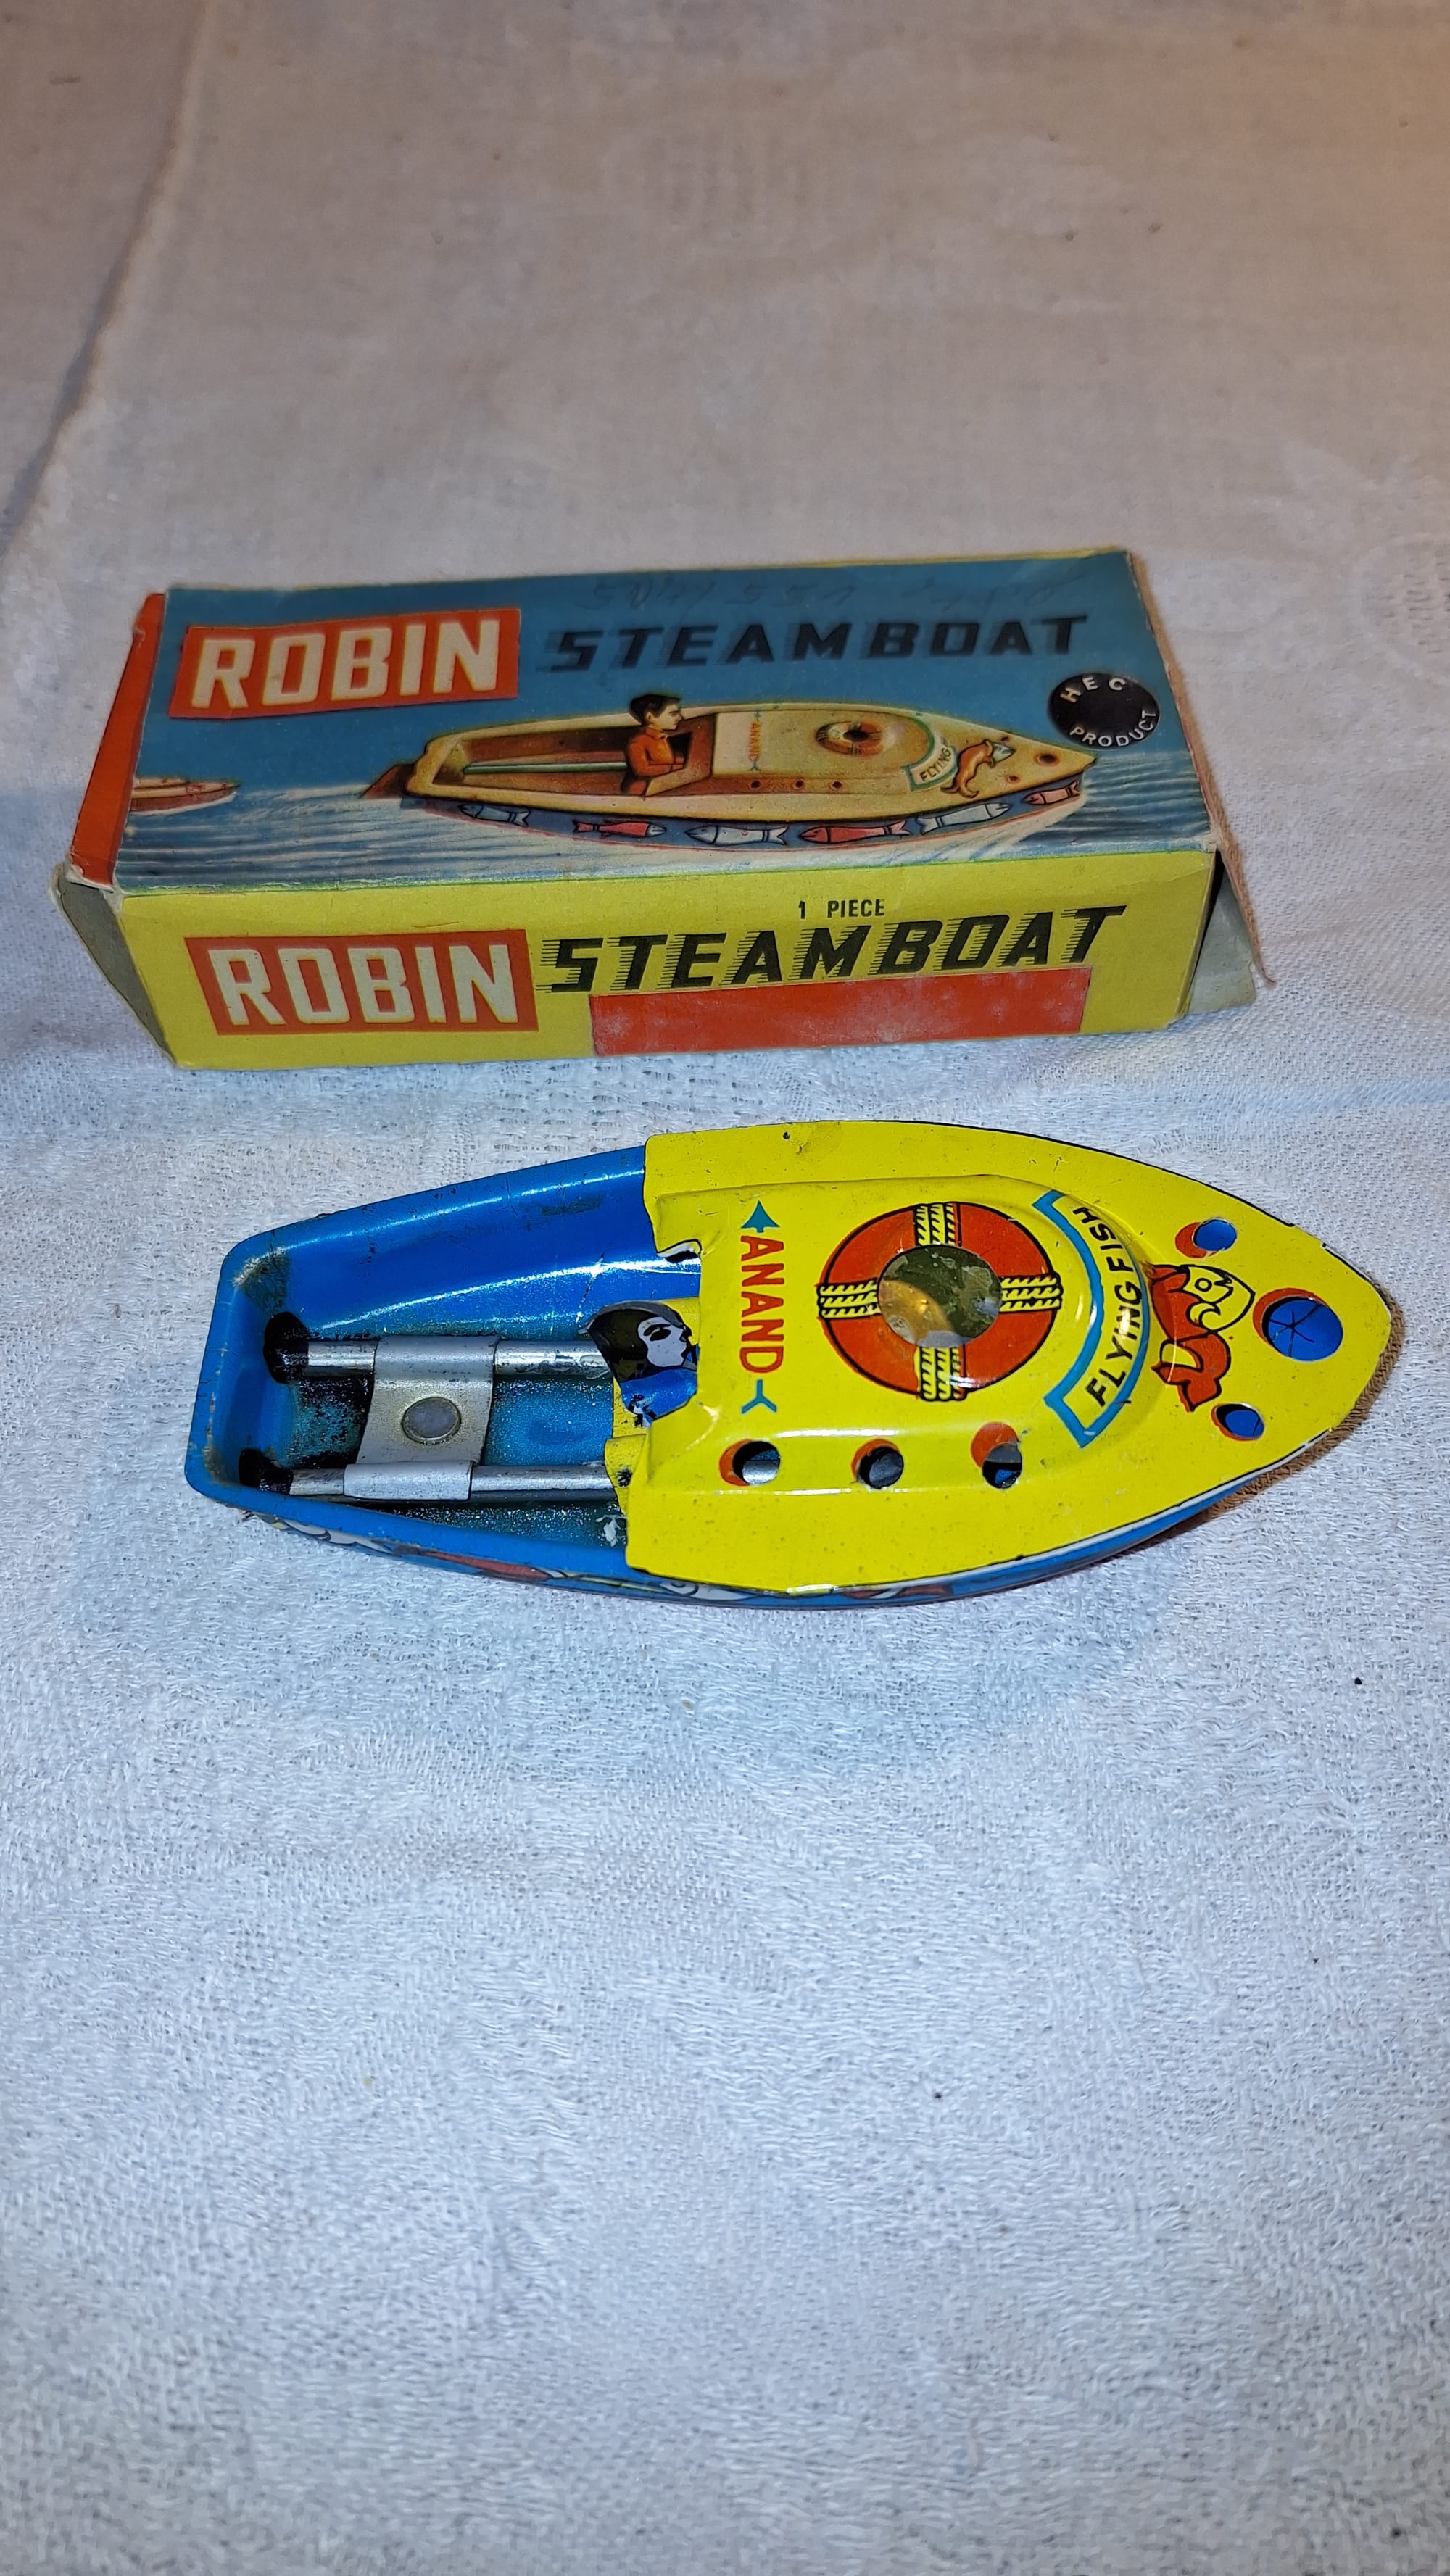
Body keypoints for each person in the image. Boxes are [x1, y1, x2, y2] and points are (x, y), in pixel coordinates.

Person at [623, 692, 686, 794]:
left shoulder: (662, 738)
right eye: (673, 714)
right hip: (642, 791)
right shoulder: (638, 742)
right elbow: (642, 770)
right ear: (650, 717)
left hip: (661, 787)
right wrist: (674, 768)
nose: (680, 718)